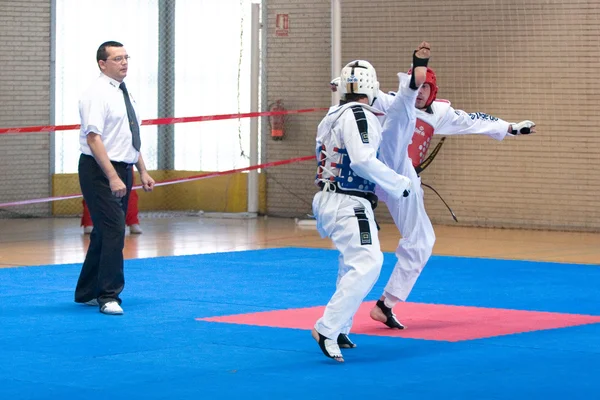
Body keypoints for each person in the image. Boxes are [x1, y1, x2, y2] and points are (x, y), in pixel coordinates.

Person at [333, 58, 536, 330]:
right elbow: (366, 94)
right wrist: (343, 85)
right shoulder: (392, 100)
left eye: (426, 89)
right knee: (398, 119)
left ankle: (386, 304)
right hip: (382, 171)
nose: (420, 93)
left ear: (433, 90)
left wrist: (510, 128)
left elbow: (473, 121)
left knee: (422, 241)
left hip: (404, 182)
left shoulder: (441, 113)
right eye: (417, 88)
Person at [311, 42, 430, 362]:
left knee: (351, 262)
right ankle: (327, 326)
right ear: (371, 86)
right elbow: (363, 160)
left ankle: (341, 327)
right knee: (368, 263)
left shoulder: (333, 114)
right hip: (348, 201)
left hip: (329, 198)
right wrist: (400, 185)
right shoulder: (360, 116)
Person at [74, 41, 155, 315]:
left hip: (124, 167)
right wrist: (111, 176)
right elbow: (94, 138)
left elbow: (129, 136)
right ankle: (109, 295)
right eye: (117, 58)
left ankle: (86, 291)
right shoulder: (96, 93)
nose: (124, 62)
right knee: (113, 229)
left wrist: (141, 169)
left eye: (126, 57)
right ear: (102, 64)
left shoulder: (124, 93)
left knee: (103, 231)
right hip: (99, 170)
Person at [81, 168, 142, 235]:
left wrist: (143, 172)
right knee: (94, 189)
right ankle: (89, 222)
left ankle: (133, 222)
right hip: (98, 162)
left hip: (123, 161)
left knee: (129, 192)